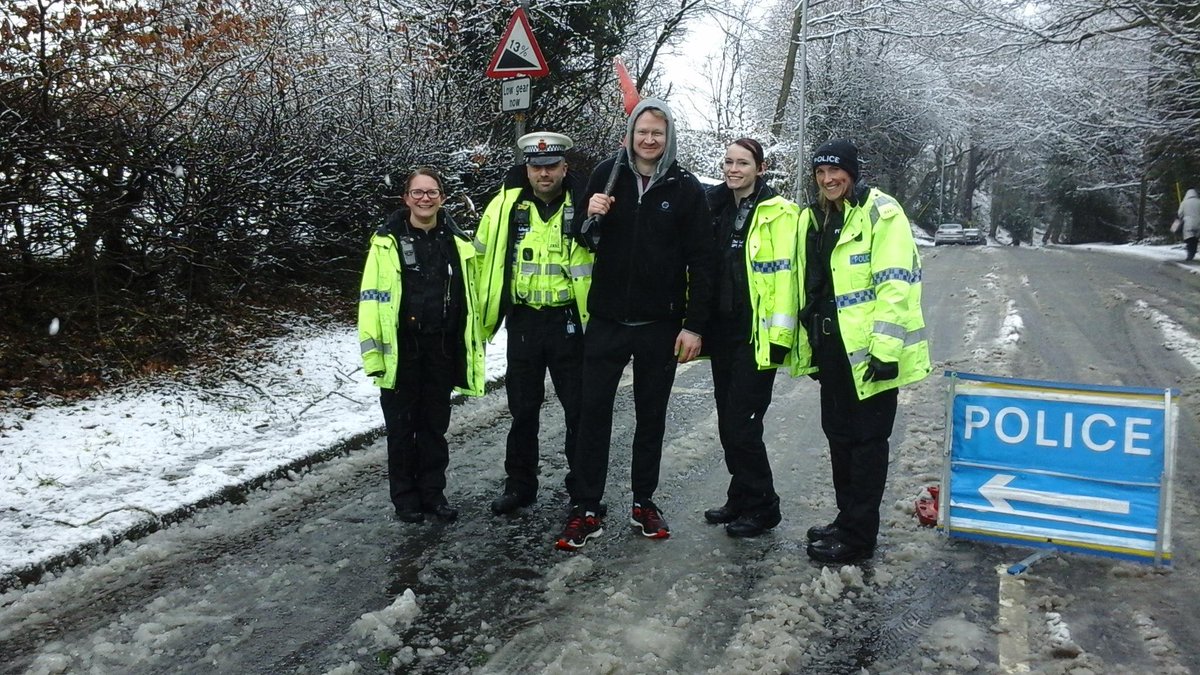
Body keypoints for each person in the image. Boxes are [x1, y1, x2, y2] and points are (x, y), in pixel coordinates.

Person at [555, 98, 716, 550]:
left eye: (657, 134)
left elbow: (703, 261)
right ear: (630, 133)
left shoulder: (685, 188)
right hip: (606, 319)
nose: (649, 140)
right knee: (592, 416)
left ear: (669, 138)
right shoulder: (608, 173)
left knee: (651, 417)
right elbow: (583, 240)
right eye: (642, 131)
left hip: (659, 324)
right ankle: (586, 506)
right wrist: (592, 215)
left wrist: (693, 325)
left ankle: (644, 500)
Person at [792, 139, 932, 563]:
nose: (828, 179)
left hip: (871, 354)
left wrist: (885, 351)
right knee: (839, 438)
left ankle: (859, 536)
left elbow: (895, 284)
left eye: (836, 172)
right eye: (820, 172)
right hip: (833, 349)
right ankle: (846, 518)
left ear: (852, 173)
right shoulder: (821, 216)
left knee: (868, 443)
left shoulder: (881, 212)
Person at [358, 167, 486, 524]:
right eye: (417, 192)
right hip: (402, 350)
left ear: (442, 198)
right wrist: (373, 356)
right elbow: (370, 301)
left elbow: (472, 296)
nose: (425, 198)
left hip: (441, 349)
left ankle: (433, 494)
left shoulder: (458, 244)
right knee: (401, 429)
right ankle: (405, 500)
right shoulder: (386, 243)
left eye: (431, 192)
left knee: (433, 428)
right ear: (406, 199)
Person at [475, 132, 593, 514]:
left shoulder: (587, 206)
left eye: (551, 167)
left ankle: (582, 489)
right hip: (523, 321)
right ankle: (520, 486)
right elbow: (480, 257)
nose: (544, 174)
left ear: (564, 168)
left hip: (569, 323)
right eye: (536, 167)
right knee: (523, 410)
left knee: (579, 410)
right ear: (527, 169)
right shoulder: (506, 208)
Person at [702, 138, 800, 538]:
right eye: (727, 162)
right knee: (728, 420)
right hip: (722, 333)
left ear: (760, 168)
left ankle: (764, 506)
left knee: (743, 423)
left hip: (757, 336)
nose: (732, 169)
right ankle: (741, 494)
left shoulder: (780, 213)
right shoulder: (715, 207)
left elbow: (787, 279)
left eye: (742, 163)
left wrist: (781, 335)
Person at [1178, 188, 1200, 261]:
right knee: (1196, 239)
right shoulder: (1199, 202)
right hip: (1198, 223)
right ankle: (1193, 252)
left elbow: (1180, 214)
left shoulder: (1184, 203)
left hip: (1188, 223)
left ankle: (1190, 254)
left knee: (1190, 239)